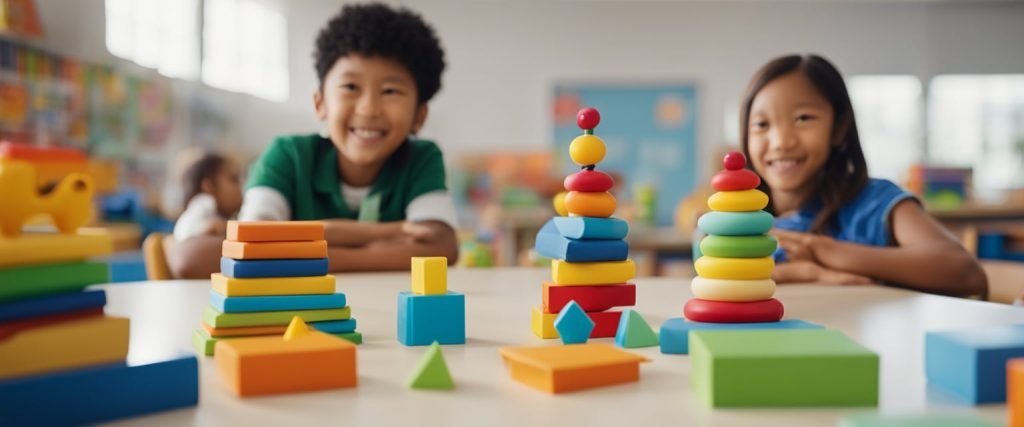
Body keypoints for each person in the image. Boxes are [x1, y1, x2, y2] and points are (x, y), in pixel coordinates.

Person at [171, 3, 458, 278]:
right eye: (350, 87)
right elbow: (196, 259)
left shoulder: (422, 158)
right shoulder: (288, 156)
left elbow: (442, 249)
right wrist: (388, 240)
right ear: (320, 103)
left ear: (419, 115)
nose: (369, 108)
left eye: (390, 91)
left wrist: (289, 256)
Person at [739, 54, 986, 297]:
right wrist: (807, 273)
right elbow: (714, 281)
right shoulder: (739, 218)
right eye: (762, 124)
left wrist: (829, 252)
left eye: (803, 118)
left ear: (838, 128)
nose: (781, 142)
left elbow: (964, 271)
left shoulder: (875, 202)